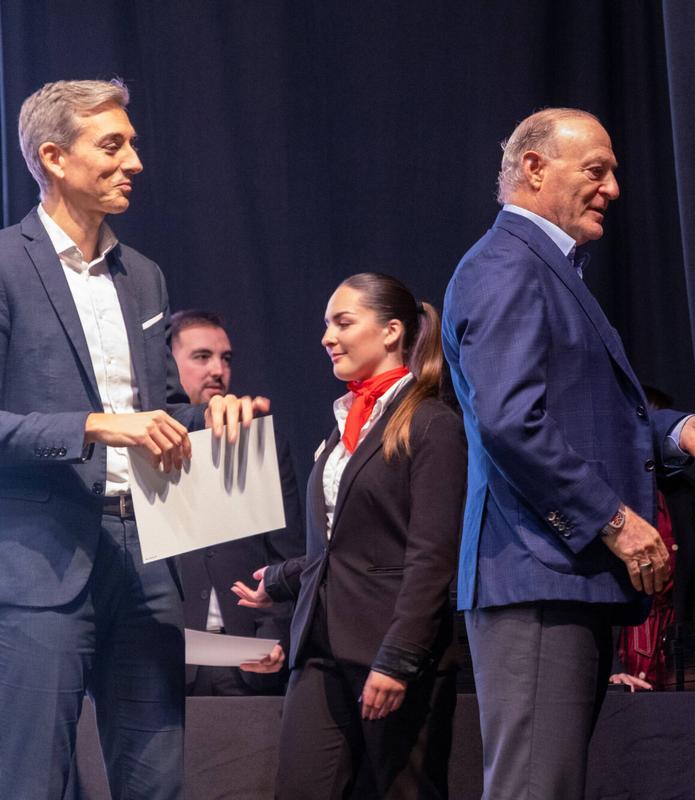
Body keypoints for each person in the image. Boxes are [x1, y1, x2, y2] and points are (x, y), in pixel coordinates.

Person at [442, 107, 695, 799]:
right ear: (533, 169)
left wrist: (680, 433)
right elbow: (510, 423)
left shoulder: (545, 270)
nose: (613, 188)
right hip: (533, 578)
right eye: (596, 170)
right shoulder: (505, 265)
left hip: (556, 580)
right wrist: (613, 520)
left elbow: (586, 417)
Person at [0, 78, 265, 799]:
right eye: (112, 144)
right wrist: (91, 425)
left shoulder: (144, 276)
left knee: (159, 784)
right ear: (53, 157)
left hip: (147, 559)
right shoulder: (3, 266)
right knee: (32, 783)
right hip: (41, 568)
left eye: (134, 143)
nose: (136, 161)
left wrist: (215, 419)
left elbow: (165, 411)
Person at [233, 273, 465, 799]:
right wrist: (282, 579)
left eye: (342, 322)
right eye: (325, 325)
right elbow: (344, 545)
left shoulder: (432, 424)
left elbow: (432, 557)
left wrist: (398, 658)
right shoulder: (342, 426)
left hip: (394, 652)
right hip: (321, 649)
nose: (327, 337)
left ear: (390, 332)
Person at [169, 309, 305, 696]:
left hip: (245, 661)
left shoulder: (261, 444)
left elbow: (286, 554)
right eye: (201, 357)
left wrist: (275, 638)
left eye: (225, 358)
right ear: (168, 362)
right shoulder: (145, 444)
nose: (217, 370)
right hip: (163, 661)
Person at [610, 385, 695, 692]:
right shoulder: (604, 498)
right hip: (619, 649)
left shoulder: (686, 495)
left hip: (675, 651)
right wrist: (611, 673)